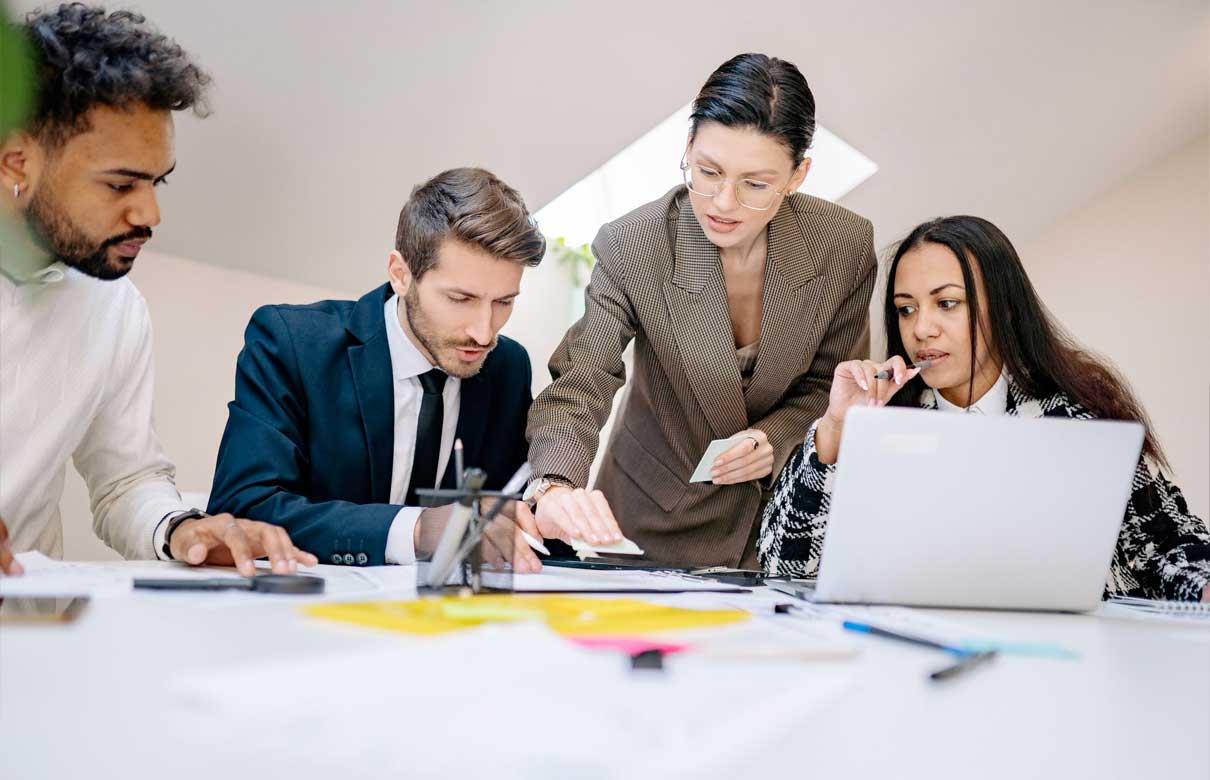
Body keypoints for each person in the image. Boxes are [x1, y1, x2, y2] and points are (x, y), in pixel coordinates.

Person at [525, 53, 876, 567]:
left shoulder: (843, 246)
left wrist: (772, 439)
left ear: (798, 174)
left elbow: (830, 385)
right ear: (688, 147)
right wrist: (554, 486)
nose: (723, 202)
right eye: (708, 171)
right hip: (649, 522)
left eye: (755, 184)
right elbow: (582, 380)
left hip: (779, 525)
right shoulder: (634, 244)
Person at [0, 4, 315, 576]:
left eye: (156, 182)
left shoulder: (112, 305)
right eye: (121, 184)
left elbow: (126, 481)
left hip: (24, 628)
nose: (150, 213)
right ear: (16, 161)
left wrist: (183, 530)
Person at [758, 215, 1210, 602]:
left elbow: (1160, 542)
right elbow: (783, 564)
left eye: (947, 303)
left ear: (1006, 311)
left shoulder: (1075, 417)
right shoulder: (883, 425)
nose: (922, 329)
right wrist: (836, 428)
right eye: (906, 309)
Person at [207, 168, 551, 571]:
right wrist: (416, 529)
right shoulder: (292, 344)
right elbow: (242, 506)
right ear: (400, 274)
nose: (483, 332)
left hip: (452, 623)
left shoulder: (507, 368)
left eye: (504, 302)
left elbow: (506, 515)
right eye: (460, 299)